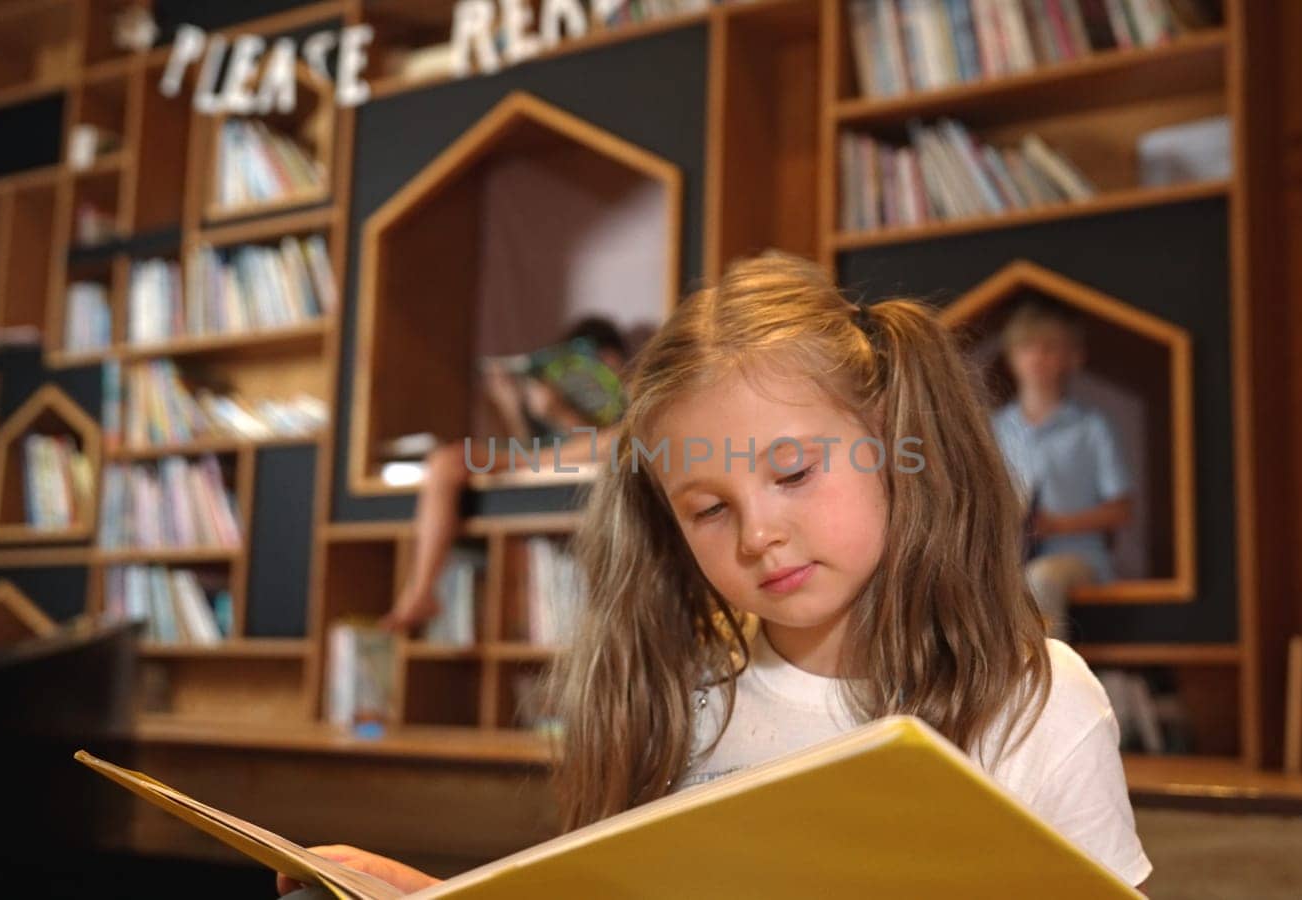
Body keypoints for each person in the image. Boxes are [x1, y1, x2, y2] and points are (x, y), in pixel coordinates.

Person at [279, 253, 1150, 895]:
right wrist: (421, 897)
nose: (760, 533)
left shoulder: (1039, 700)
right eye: (708, 509)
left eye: (795, 472)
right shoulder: (683, 698)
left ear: (893, 446)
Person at [380, 316, 629, 633]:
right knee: (446, 460)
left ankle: (420, 592)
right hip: (538, 462)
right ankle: (420, 589)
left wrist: (560, 416)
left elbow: (606, 444)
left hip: (574, 457)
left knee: (613, 441)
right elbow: (532, 457)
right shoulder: (562, 388)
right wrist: (511, 405)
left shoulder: (628, 394)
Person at [989, 300, 1133, 641]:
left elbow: (1122, 509)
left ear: (1072, 357)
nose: (1037, 357)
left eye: (1050, 348)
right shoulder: (993, 429)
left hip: (1078, 557)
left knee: (1040, 579)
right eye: (1027, 347)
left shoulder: (1090, 428)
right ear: (1011, 356)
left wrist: (1058, 525)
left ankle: (1049, 685)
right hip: (1010, 556)